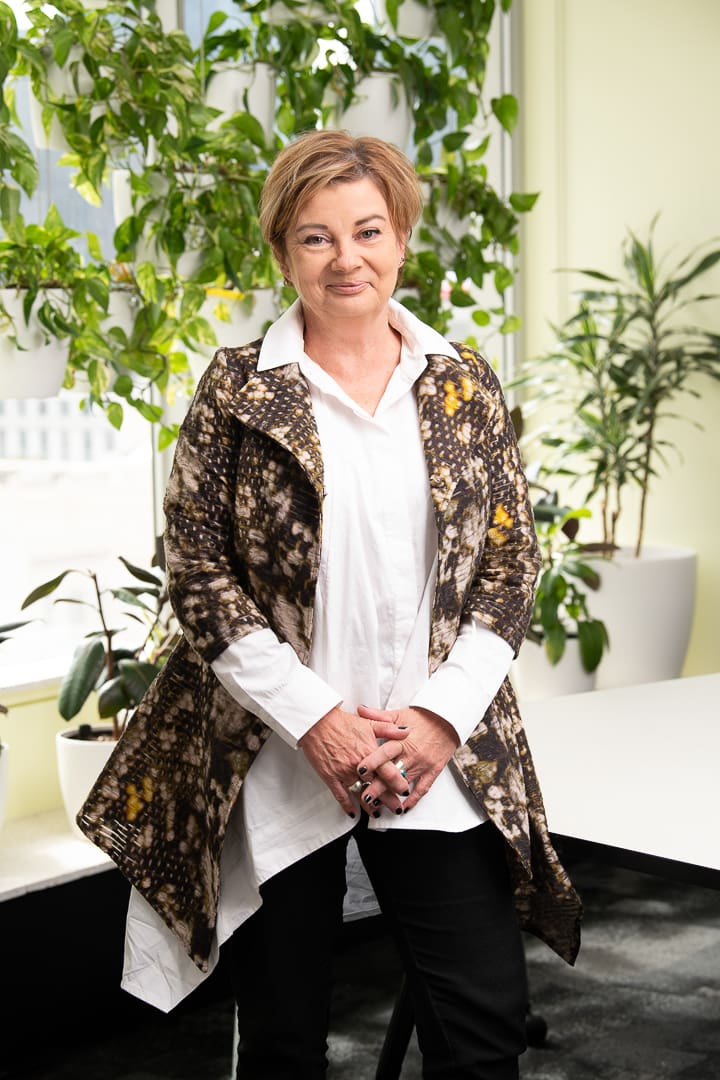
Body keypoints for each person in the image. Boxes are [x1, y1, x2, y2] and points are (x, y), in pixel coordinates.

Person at [79, 130, 581, 1079]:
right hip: (278, 754)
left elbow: (511, 568)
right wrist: (317, 723)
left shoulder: (465, 383)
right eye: (316, 238)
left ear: (401, 240)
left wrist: (437, 721)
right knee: (283, 1041)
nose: (346, 259)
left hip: (432, 758)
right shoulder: (237, 388)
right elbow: (196, 567)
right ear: (282, 252)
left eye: (367, 231)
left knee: (483, 1036)